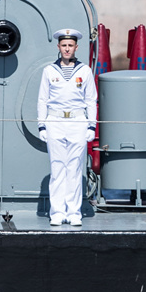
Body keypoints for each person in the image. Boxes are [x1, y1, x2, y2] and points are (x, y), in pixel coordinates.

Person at [37, 29, 97, 226]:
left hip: (77, 121)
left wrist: (91, 126)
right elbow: (42, 99)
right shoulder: (49, 71)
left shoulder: (84, 71)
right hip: (55, 121)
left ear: (76, 47)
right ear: (58, 47)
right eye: (64, 45)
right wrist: (42, 125)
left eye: (70, 45)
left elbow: (91, 100)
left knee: (74, 168)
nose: (67, 49)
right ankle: (57, 212)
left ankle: (73, 212)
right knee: (57, 168)